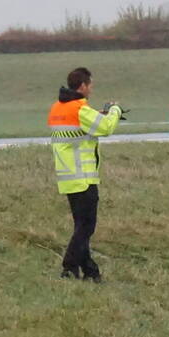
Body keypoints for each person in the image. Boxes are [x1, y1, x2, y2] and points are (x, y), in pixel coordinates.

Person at [47, 67, 123, 282]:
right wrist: (115, 110)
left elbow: (77, 130)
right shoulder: (80, 109)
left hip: (67, 176)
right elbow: (106, 127)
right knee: (86, 228)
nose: (91, 89)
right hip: (84, 177)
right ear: (82, 86)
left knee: (81, 227)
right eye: (90, 85)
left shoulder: (57, 108)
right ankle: (69, 267)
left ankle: (90, 271)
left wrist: (96, 115)